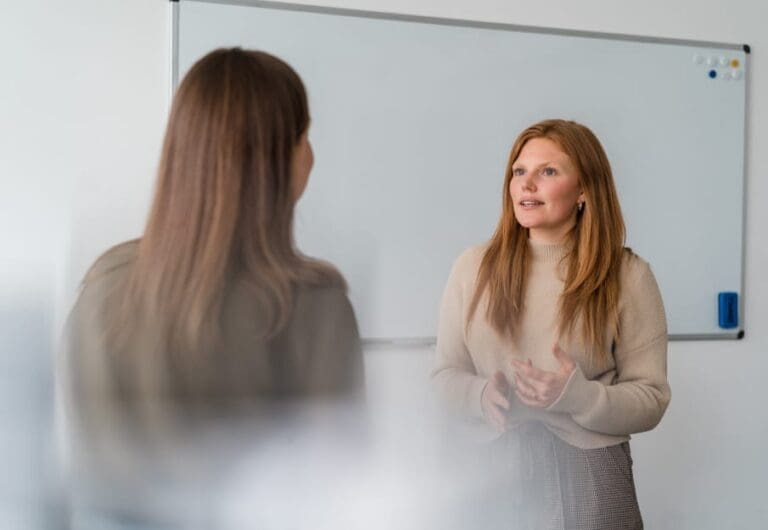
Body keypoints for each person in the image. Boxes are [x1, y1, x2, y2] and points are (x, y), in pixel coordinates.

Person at [59, 48, 364, 525]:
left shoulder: (101, 291)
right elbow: (337, 497)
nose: (312, 154)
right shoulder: (313, 306)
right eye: (305, 135)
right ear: (278, 158)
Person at [432, 119, 670, 529]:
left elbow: (652, 399)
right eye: (519, 172)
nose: (527, 185)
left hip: (591, 475)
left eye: (548, 172)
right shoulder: (472, 268)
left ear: (583, 190)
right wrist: (481, 395)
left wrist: (578, 396)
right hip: (487, 473)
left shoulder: (628, 276)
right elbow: (443, 376)